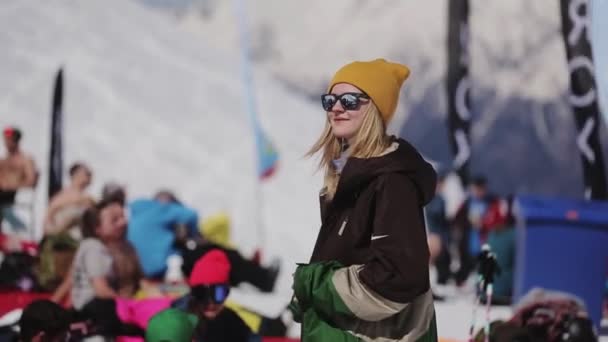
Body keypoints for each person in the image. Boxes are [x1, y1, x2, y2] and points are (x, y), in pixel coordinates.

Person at [291, 59, 438, 341]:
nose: (336, 108)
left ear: (375, 109)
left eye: (349, 100)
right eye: (330, 99)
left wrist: (315, 284)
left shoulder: (393, 182)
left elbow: (397, 276)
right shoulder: (348, 178)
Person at [171, 249, 253, 342]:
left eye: (218, 294)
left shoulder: (231, 321)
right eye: (201, 293)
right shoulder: (176, 323)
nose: (210, 302)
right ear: (193, 294)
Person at [127, 190, 201, 278]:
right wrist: (193, 235)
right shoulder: (163, 208)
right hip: (159, 270)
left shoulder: (138, 211)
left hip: (136, 272)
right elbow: (192, 215)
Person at [0, 126, 37, 231]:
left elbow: (31, 181)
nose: (5, 143)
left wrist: (11, 186)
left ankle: (21, 230)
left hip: (11, 193)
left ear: (15, 140)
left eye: (8, 140)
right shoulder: (4, 160)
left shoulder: (25, 159)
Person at [43, 162, 95, 236]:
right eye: (86, 173)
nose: (89, 176)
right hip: (62, 236)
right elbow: (47, 218)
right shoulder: (61, 196)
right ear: (75, 174)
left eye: (89, 173)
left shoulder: (89, 199)